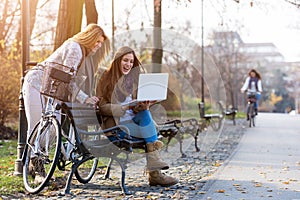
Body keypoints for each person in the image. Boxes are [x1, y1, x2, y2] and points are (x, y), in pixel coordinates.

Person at [22, 23, 110, 177]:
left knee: (53, 127)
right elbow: (68, 80)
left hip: (53, 90)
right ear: (89, 37)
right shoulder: (75, 48)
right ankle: (35, 167)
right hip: (36, 83)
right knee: (37, 124)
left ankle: (44, 161)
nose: (98, 46)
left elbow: (70, 80)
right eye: (97, 41)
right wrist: (85, 98)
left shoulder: (84, 55)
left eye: (101, 43)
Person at [96, 46, 178, 187]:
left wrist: (145, 104)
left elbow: (137, 109)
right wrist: (124, 107)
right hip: (117, 126)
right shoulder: (105, 78)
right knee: (150, 131)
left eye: (131, 62)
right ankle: (155, 174)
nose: (128, 64)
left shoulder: (133, 81)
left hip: (133, 122)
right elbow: (101, 108)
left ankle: (155, 169)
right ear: (117, 61)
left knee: (145, 113)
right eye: (125, 60)